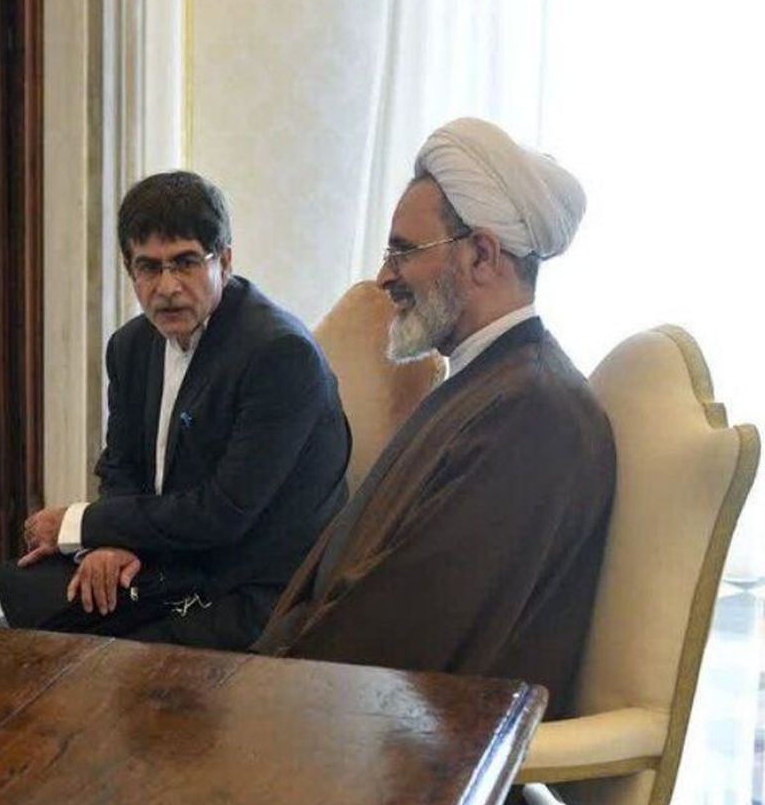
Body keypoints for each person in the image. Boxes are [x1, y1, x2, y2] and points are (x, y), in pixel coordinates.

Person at [254, 117, 615, 726]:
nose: (383, 277)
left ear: (482, 255)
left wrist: (263, 681)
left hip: (418, 750)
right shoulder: (486, 381)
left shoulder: (531, 412)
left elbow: (407, 626)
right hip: (351, 708)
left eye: (403, 251)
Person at [0, 171, 350, 650]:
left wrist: (83, 524)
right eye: (148, 267)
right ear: (130, 271)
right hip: (172, 560)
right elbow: (121, 465)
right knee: (23, 589)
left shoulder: (280, 355)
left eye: (185, 263)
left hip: (255, 583)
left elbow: (224, 512)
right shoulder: (130, 346)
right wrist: (111, 543)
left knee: (100, 655)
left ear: (224, 260)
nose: (167, 287)